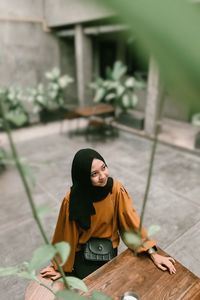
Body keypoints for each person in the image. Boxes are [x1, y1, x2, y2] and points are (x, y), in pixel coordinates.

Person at [40, 148, 176, 280]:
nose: (102, 176)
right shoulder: (72, 200)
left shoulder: (116, 190)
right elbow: (65, 235)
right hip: (82, 258)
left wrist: (152, 253)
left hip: (109, 253)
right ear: (83, 176)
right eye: (94, 174)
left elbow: (130, 221)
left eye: (104, 168)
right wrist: (60, 267)